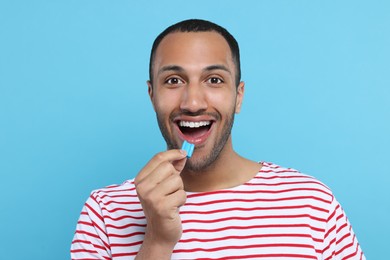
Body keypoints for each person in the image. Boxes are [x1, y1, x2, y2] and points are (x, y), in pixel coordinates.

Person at [71, 19, 365, 259]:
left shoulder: (312, 203)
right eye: (173, 80)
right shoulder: (105, 212)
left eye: (214, 80)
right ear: (152, 95)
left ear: (238, 97)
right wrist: (157, 243)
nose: (194, 103)